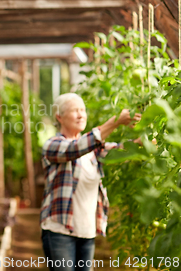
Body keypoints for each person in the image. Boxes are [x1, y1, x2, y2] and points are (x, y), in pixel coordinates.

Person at [40, 93, 141, 271]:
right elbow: (76, 148)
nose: (81, 115)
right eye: (74, 110)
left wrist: (143, 142)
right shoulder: (53, 145)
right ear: (59, 117)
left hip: (86, 231)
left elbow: (119, 151)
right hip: (60, 231)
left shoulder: (94, 150)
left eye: (82, 110)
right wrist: (115, 121)